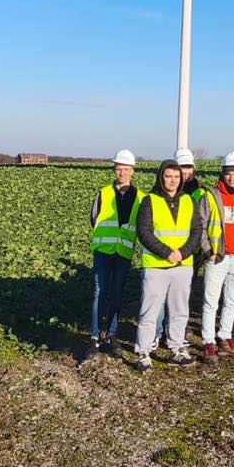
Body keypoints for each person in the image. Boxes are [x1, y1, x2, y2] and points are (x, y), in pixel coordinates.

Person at [133, 159, 205, 371]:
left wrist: (182, 252)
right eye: (168, 176)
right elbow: (143, 232)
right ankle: (143, 352)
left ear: (181, 179)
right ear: (161, 177)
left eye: (176, 177)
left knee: (180, 309)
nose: (172, 180)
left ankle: (177, 348)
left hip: (182, 265)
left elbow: (196, 230)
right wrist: (166, 252)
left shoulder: (188, 201)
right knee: (150, 310)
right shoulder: (149, 200)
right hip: (156, 265)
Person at [87, 149, 144, 358]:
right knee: (98, 292)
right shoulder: (103, 194)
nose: (121, 173)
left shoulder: (141, 197)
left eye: (126, 169)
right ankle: (94, 338)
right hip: (103, 250)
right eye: (118, 169)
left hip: (123, 252)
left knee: (117, 294)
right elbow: (94, 218)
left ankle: (111, 335)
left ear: (132, 171)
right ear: (114, 171)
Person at [200, 153, 234, 362]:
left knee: (231, 300)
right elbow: (200, 226)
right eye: (228, 174)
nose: (231, 178)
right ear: (222, 175)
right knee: (210, 302)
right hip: (218, 257)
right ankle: (208, 342)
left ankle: (225, 337)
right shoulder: (211, 196)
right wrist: (207, 250)